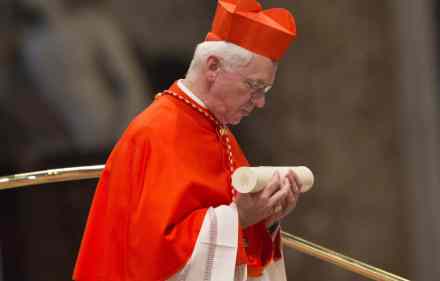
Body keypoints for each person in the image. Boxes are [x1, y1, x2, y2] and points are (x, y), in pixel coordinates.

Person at [73, 0, 300, 280]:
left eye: (265, 89)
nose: (261, 102)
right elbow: (152, 254)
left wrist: (266, 218)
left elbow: (235, 243)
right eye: (254, 86)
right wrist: (239, 218)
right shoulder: (157, 132)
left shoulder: (218, 132)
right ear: (213, 67)